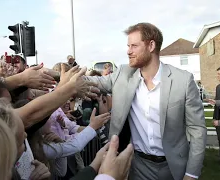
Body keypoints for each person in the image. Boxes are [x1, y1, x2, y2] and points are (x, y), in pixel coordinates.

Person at [80, 23, 206, 180]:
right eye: (128, 46)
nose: (128, 51)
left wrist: (191, 173)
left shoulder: (183, 80)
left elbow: (197, 130)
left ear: (151, 45)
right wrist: (58, 76)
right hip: (137, 165)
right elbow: (93, 81)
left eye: (134, 46)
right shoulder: (123, 74)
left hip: (174, 166)